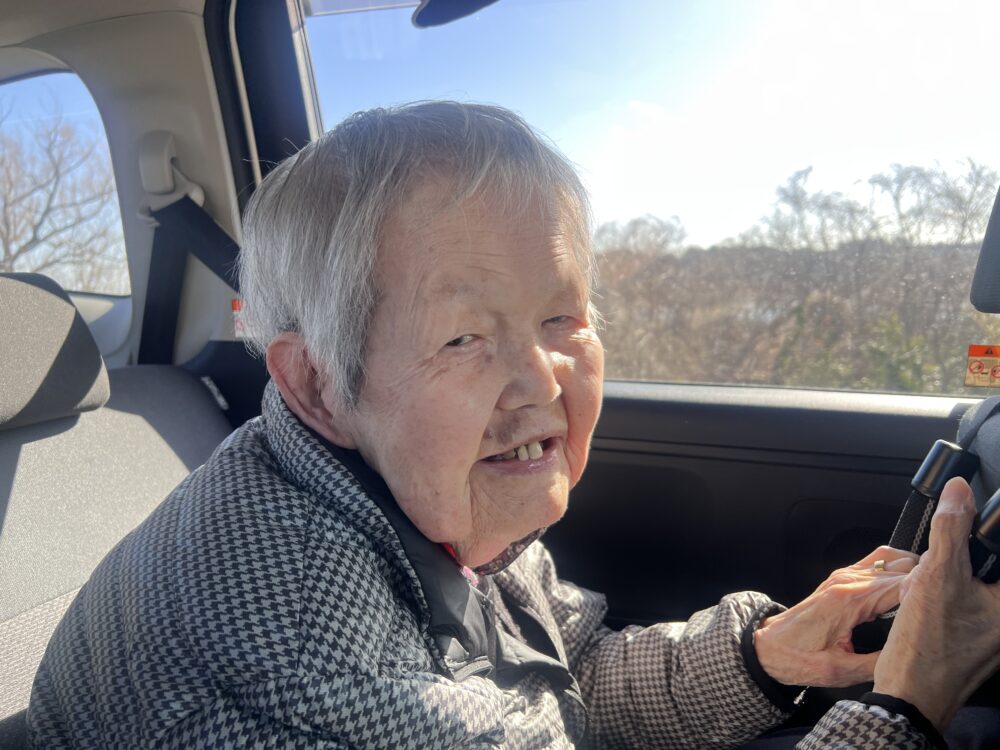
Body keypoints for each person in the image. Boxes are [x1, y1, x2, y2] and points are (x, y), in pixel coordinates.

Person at [25, 101, 1000, 749]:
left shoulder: (416, 488)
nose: (541, 381)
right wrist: (905, 708)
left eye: (562, 318)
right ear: (318, 384)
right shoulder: (314, 648)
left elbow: (564, 677)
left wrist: (766, 654)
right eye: (463, 337)